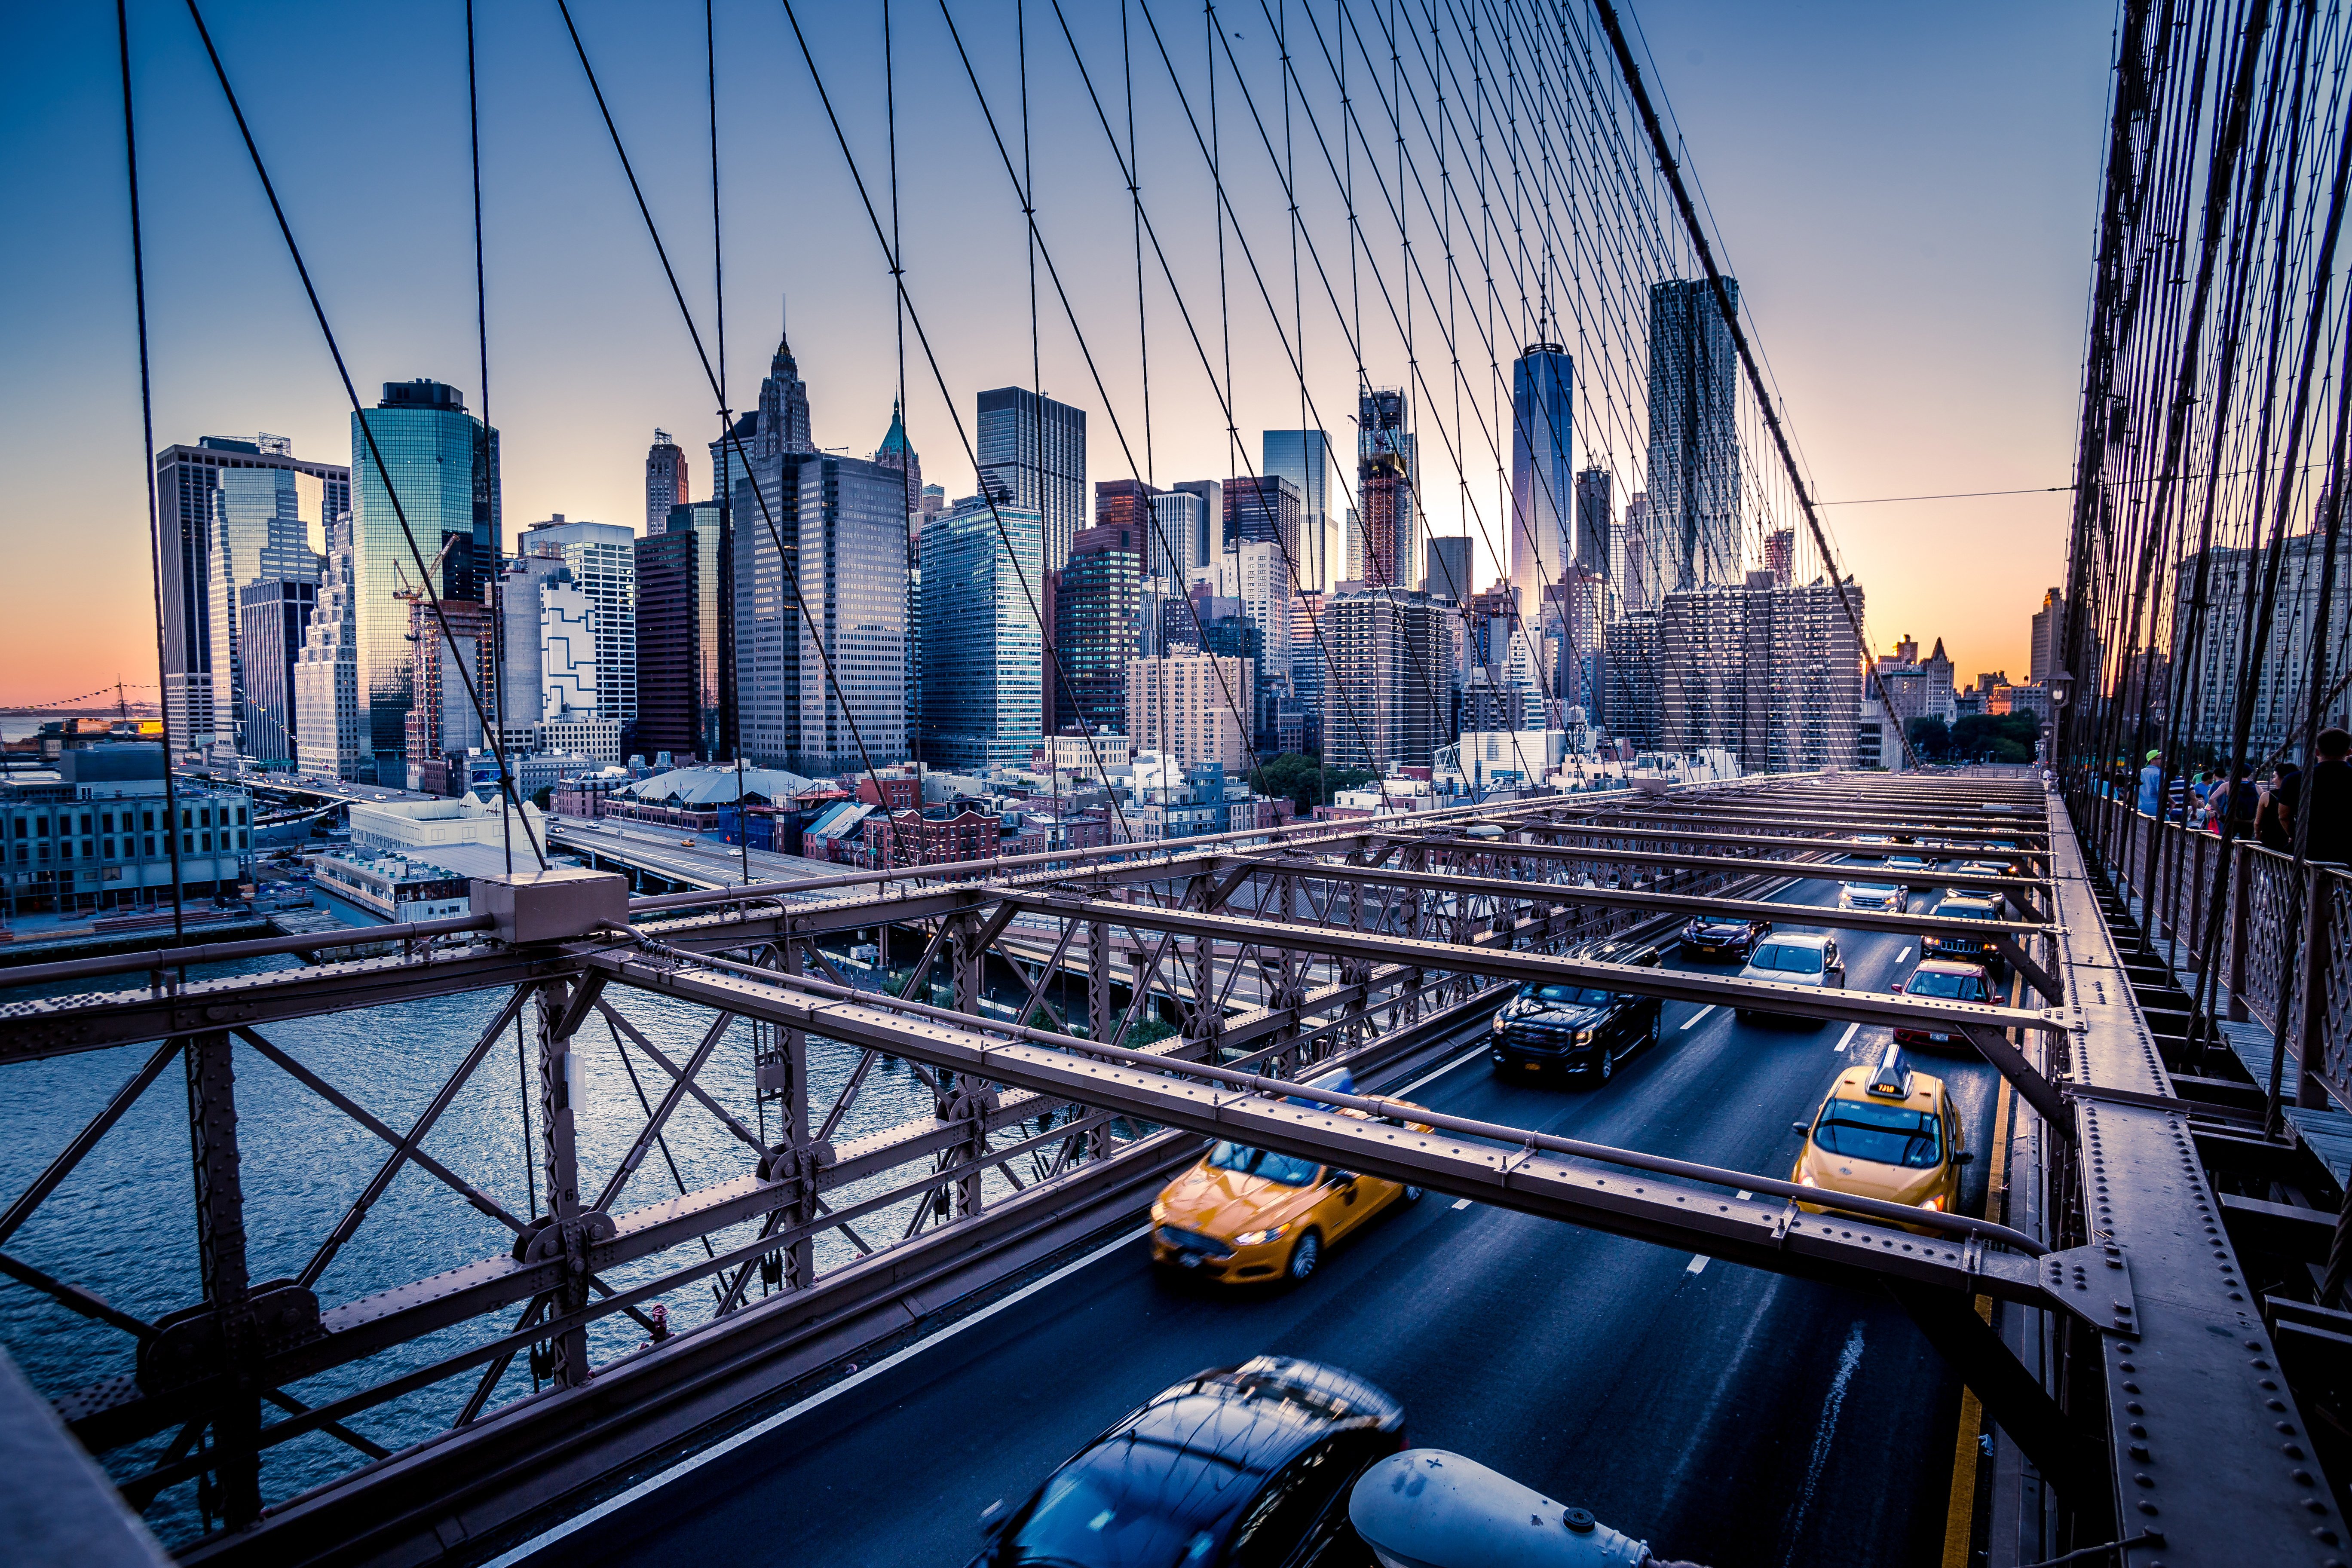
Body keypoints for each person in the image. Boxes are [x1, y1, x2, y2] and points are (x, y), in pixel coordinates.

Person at [2306, 727, 2352, 865]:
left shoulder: (2297, 779)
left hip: (2311, 850)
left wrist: (2296, 836)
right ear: (2349, 753)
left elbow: (2284, 816)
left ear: (2316, 752)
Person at [2257, 760, 2301, 853]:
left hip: (2270, 841)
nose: (2273, 780)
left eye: (2275, 777)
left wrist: (2257, 835)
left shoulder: (2266, 796)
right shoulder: (2302, 796)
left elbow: (2257, 823)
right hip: (2293, 843)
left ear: (2285, 779)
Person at [2137, 750, 2164, 815]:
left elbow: (2133, 792)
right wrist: (2173, 802)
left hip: (2141, 810)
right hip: (2157, 810)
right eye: (2161, 758)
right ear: (2152, 761)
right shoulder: (2160, 773)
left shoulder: (2141, 772)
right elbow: (2162, 792)